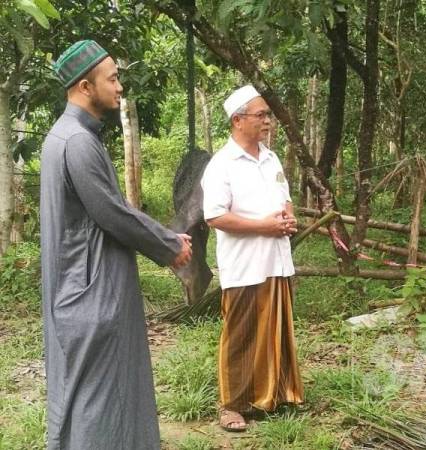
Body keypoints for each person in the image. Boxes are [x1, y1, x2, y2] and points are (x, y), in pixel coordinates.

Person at [40, 40, 192, 450]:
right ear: (85, 87)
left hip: (79, 288)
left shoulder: (66, 136)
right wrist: (169, 244)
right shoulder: (77, 142)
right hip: (93, 294)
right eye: (113, 78)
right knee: (100, 402)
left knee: (93, 396)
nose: (120, 87)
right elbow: (111, 213)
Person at [201, 85, 304, 432]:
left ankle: (276, 394)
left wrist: (287, 217)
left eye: (268, 115)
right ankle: (232, 404)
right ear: (237, 120)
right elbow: (215, 216)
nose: (268, 121)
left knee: (277, 328)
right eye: (261, 115)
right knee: (242, 334)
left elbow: (284, 197)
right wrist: (264, 226)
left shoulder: (271, 158)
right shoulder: (222, 164)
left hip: (276, 260)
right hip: (245, 265)